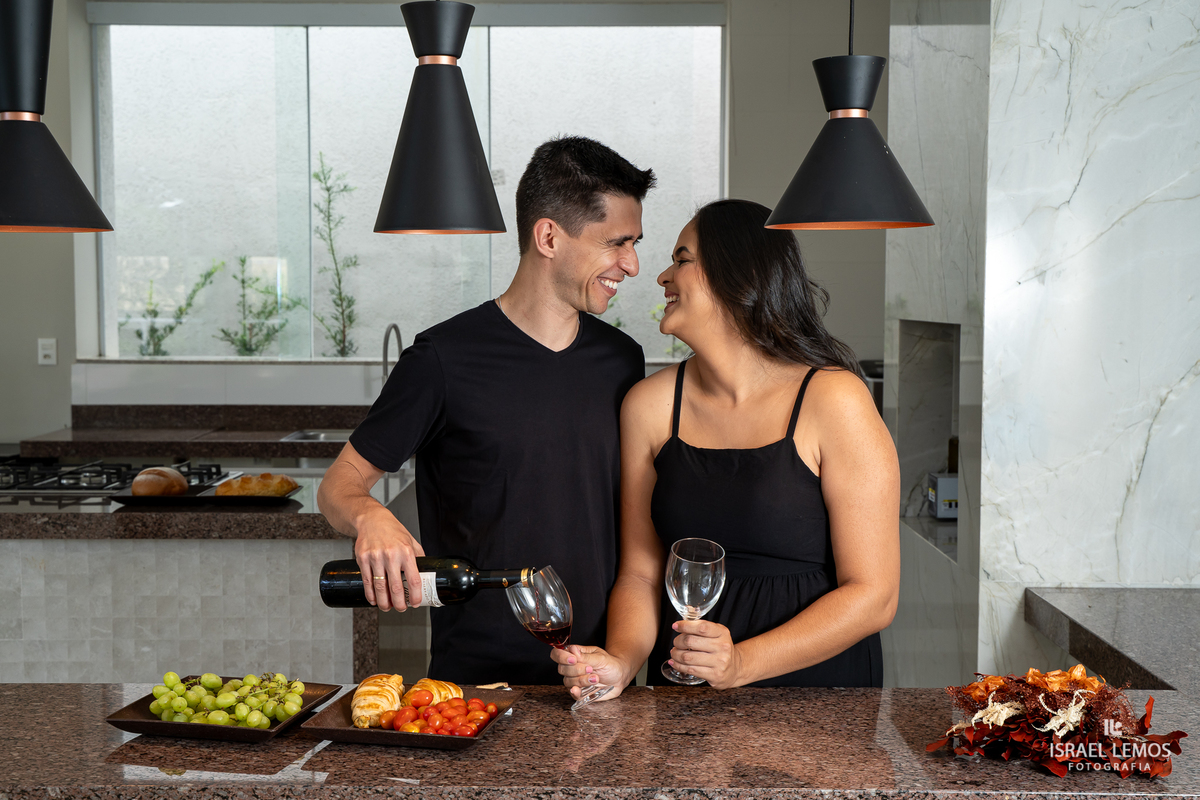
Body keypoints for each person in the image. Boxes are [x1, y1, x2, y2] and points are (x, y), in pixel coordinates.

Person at [317, 136, 654, 685]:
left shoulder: (620, 360)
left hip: (596, 677)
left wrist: (619, 659)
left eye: (634, 243)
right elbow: (337, 485)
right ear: (549, 236)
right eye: (616, 243)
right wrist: (370, 516)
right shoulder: (442, 359)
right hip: (474, 684)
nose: (632, 264)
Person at [552, 198, 900, 695]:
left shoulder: (832, 398)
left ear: (739, 273)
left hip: (818, 698)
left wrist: (740, 663)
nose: (662, 277)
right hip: (687, 688)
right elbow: (641, 572)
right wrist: (622, 662)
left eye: (682, 258)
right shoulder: (649, 406)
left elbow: (874, 595)